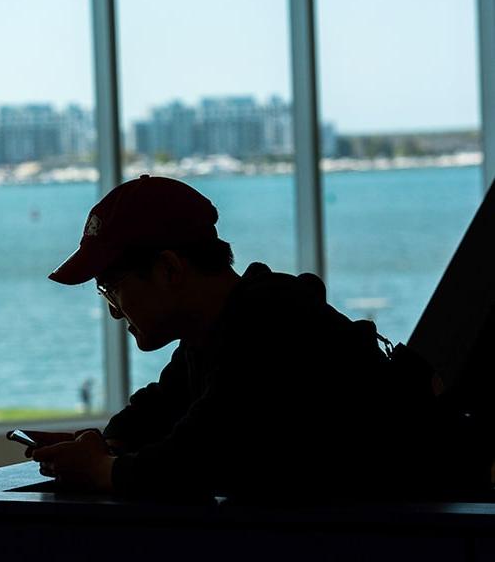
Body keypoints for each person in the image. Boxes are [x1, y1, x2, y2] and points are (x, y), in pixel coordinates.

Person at [27, 174, 431, 501]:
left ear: (169, 269)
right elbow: (153, 413)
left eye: (111, 288)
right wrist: (97, 445)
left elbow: (194, 461)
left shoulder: (272, 330)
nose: (114, 310)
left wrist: (99, 468)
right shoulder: (220, 328)